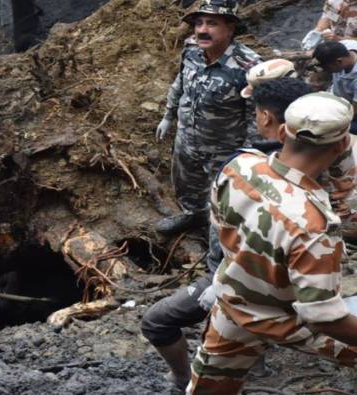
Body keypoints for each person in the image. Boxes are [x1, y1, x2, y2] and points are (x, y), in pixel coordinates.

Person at [142, 63, 310, 389]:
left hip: (245, 281)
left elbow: (256, 242)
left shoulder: (255, 171)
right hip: (287, 278)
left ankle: (186, 378)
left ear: (265, 117)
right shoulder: (319, 155)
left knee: (157, 322)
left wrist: (221, 282)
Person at [187, 92, 357, 394]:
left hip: (235, 301)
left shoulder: (238, 165)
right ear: (343, 145)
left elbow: (221, 225)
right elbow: (323, 316)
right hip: (286, 318)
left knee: (208, 389)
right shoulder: (314, 225)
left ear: (281, 132)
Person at [155, 0, 261, 235]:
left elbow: (257, 118)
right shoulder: (192, 49)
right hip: (186, 139)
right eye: (199, 23)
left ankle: (221, 245)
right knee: (186, 185)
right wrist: (168, 115)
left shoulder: (249, 66)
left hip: (224, 151)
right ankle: (193, 216)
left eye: (212, 23)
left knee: (227, 203)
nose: (202, 29)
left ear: (231, 27)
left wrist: (249, 156)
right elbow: (180, 82)